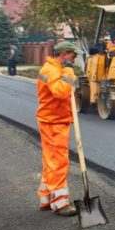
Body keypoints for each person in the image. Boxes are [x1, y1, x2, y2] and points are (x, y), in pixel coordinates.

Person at [35, 41, 81, 217]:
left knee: (50, 160)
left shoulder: (53, 68)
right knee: (59, 161)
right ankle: (60, 203)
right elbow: (60, 92)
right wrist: (69, 74)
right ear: (64, 54)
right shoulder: (51, 71)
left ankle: (46, 198)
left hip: (53, 119)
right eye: (73, 55)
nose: (75, 58)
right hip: (53, 121)